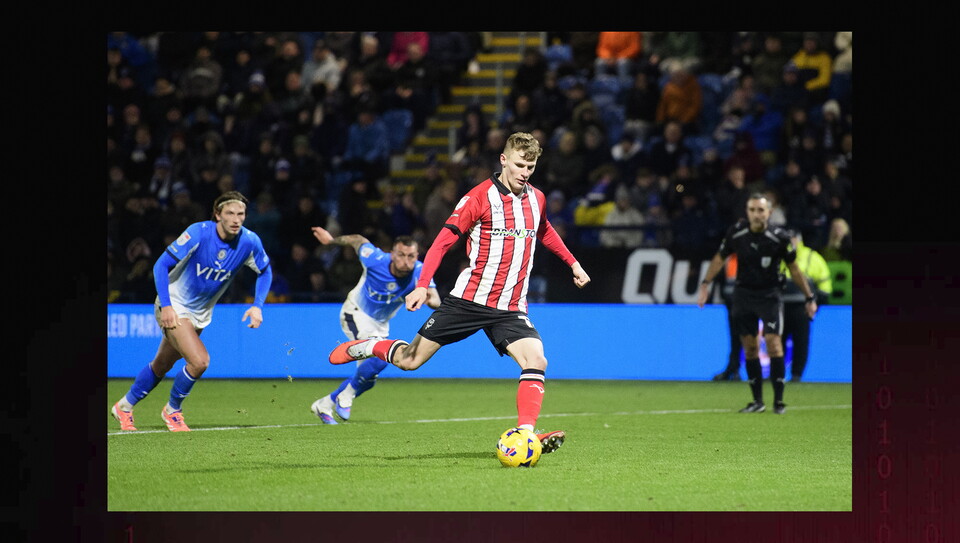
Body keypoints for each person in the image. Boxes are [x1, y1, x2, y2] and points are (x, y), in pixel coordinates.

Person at [327, 132, 591, 454]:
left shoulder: (537, 199)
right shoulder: (478, 198)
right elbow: (442, 242)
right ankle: (370, 345)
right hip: (468, 300)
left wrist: (573, 264)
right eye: (520, 165)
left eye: (531, 167)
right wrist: (422, 285)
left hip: (510, 306)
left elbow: (545, 230)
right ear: (504, 160)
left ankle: (525, 435)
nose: (525, 172)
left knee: (537, 359)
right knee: (411, 361)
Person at [111, 191, 273, 432]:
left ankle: (123, 406)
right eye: (229, 213)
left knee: (161, 365)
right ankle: (172, 410)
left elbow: (265, 271)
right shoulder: (199, 232)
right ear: (217, 215)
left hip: (200, 315)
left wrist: (258, 306)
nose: (236, 219)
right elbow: (161, 265)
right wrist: (166, 306)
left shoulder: (249, 241)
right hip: (174, 305)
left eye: (240, 214)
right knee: (199, 361)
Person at [697, 193, 818, 414]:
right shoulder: (736, 233)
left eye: (760, 210)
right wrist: (705, 284)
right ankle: (757, 402)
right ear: (747, 212)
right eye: (752, 210)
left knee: (773, 343)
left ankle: (779, 401)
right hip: (743, 295)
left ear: (769, 213)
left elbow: (794, 269)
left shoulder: (779, 237)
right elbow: (719, 258)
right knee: (750, 348)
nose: (756, 214)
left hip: (770, 296)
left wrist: (809, 297)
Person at [309, 227, 441, 424]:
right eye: (401, 255)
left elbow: (437, 299)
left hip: (380, 324)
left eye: (411, 256)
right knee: (380, 360)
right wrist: (331, 241)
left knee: (369, 377)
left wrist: (430, 300)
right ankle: (346, 396)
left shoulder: (420, 271)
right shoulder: (375, 259)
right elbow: (357, 238)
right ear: (392, 253)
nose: (406, 261)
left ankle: (325, 403)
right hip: (355, 313)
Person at [780, 229, 832, 382]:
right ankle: (777, 374)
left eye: (792, 239)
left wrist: (817, 301)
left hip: (802, 307)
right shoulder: (778, 255)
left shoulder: (812, 257)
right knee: (776, 341)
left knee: (801, 341)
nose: (790, 243)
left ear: (799, 239)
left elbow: (824, 282)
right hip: (780, 306)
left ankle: (797, 374)